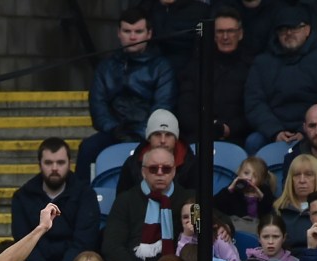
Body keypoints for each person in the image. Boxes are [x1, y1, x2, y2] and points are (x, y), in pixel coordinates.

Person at [75, 6, 176, 183]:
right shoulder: (105, 67)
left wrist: (142, 132)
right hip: (113, 132)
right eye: (127, 31)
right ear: (119, 33)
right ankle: (79, 201)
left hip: (148, 134)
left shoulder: (162, 67)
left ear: (149, 34)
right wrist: (114, 129)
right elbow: (98, 105)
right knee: (87, 148)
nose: (132, 36)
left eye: (138, 31)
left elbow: (163, 105)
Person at [10, 137, 101, 261]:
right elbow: (23, 239)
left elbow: (83, 242)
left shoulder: (85, 194)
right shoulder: (22, 197)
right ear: (39, 164)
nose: (54, 168)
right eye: (48, 162)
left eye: (60, 162)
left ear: (69, 163)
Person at [102, 147, 190, 261]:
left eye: (166, 169)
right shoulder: (125, 200)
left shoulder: (190, 200)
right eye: (153, 169)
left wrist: (225, 226)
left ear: (173, 171)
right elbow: (112, 245)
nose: (160, 173)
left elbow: (205, 228)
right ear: (143, 172)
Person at [243, 4, 317, 154]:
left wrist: (304, 131)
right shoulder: (262, 63)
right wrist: (275, 131)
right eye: (283, 29)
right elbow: (254, 102)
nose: (288, 33)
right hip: (271, 131)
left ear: (307, 30)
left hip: (311, 129)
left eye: (294, 28)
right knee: (253, 142)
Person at [176, 6, 252, 146]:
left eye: (230, 31)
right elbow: (185, 108)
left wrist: (229, 129)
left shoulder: (251, 67)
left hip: (237, 138)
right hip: (198, 136)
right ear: (212, 35)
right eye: (220, 31)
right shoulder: (197, 67)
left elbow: (253, 108)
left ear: (240, 34)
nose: (225, 37)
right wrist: (208, 126)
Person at [114, 109, 198, 195]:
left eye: (168, 135)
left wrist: (189, 208)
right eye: (157, 134)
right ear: (149, 138)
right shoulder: (132, 165)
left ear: (176, 139)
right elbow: (120, 203)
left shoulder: (192, 165)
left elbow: (198, 205)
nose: (162, 140)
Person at [213, 156, 277, 234]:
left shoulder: (264, 191)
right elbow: (216, 205)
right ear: (239, 173)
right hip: (235, 227)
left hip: (256, 228)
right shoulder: (233, 190)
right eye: (246, 173)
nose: (249, 178)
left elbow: (270, 209)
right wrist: (229, 190)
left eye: (255, 176)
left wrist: (261, 197)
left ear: (261, 180)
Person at [273, 153, 317, 257]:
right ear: (290, 179)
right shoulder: (278, 210)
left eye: (308, 174)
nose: (302, 180)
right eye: (297, 175)